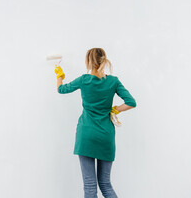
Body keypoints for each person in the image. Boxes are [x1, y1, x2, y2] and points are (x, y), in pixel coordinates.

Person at [55, 48, 137, 198]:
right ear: (104, 60)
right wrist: (116, 109)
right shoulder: (113, 81)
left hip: (86, 135)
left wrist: (59, 75)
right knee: (105, 184)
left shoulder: (83, 80)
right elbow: (131, 102)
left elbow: (61, 89)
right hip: (106, 136)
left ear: (88, 61)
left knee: (89, 186)